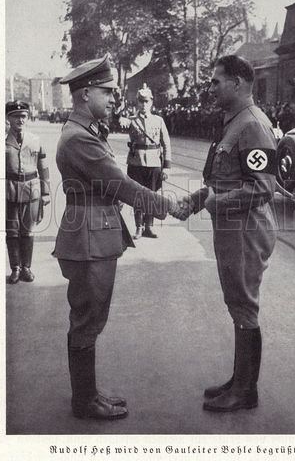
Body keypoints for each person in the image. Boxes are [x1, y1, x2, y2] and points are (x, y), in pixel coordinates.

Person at [54, 54, 181, 421]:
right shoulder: (80, 138)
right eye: (107, 92)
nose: (114, 99)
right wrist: (167, 205)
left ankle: (89, 393)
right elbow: (120, 184)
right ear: (84, 94)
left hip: (93, 233)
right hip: (89, 237)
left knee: (90, 318)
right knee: (87, 320)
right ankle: (84, 402)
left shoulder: (86, 132)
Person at [179, 55, 277, 413]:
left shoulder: (251, 125)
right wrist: (195, 201)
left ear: (237, 83)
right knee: (237, 303)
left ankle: (245, 391)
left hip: (246, 230)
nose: (211, 87)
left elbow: (263, 188)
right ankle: (239, 379)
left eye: (216, 81)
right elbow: (218, 178)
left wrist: (216, 204)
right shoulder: (233, 123)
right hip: (233, 228)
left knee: (244, 307)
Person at [5, 100, 50, 284]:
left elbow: (44, 168)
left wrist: (46, 192)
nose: (20, 120)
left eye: (23, 116)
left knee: (28, 231)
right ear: (8, 119)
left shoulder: (36, 140)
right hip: (9, 190)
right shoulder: (1, 142)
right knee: (12, 231)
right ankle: (15, 268)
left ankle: (27, 267)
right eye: (16, 117)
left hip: (32, 189)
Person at [123, 84, 172, 239]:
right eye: (141, 101)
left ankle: (148, 227)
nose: (144, 105)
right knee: (137, 196)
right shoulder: (131, 120)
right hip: (136, 164)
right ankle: (138, 227)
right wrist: (120, 117)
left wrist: (167, 167)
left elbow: (166, 144)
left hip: (154, 164)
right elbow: (119, 122)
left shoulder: (159, 120)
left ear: (151, 103)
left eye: (146, 102)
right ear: (137, 102)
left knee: (151, 196)